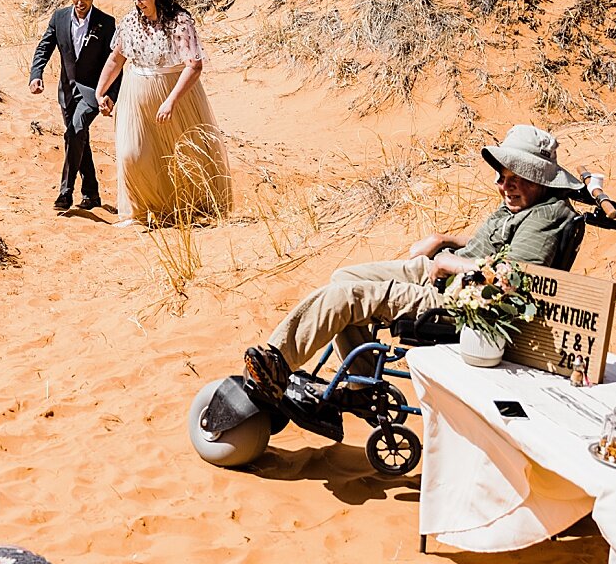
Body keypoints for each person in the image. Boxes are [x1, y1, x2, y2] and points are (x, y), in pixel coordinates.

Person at [243, 124, 583, 437]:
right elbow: (495, 242)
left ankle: (277, 363)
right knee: (343, 277)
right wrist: (444, 238)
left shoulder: (546, 217)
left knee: (348, 298)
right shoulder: (525, 202)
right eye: (501, 176)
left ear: (538, 178)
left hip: (462, 305)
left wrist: (450, 263)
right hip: (445, 277)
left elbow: (514, 274)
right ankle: (362, 392)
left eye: (513, 178)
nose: (502, 186)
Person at [93, 0, 231, 225]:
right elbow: (116, 58)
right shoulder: (130, 22)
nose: (138, 3)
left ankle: (189, 209)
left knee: (182, 155)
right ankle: (139, 211)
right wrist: (100, 91)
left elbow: (194, 66)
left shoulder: (179, 22)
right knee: (131, 154)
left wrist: (171, 100)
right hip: (134, 94)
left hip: (174, 94)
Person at [29, 0, 117, 211]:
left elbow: (116, 63)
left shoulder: (107, 23)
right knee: (79, 137)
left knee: (74, 132)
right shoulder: (58, 17)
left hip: (92, 92)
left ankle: (65, 193)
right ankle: (91, 194)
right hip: (66, 91)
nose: (80, 2)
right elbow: (44, 47)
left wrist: (110, 95)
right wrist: (36, 74)